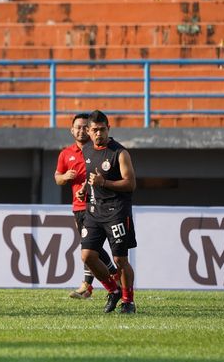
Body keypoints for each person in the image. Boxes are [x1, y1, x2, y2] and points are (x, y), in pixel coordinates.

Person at [77, 110, 137, 314]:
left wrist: (105, 183)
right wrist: (84, 189)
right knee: (87, 256)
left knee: (120, 260)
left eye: (102, 129)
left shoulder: (119, 153)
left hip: (116, 212)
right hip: (94, 211)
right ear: (88, 130)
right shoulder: (86, 150)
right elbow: (90, 175)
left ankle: (128, 301)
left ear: (108, 128)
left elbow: (130, 184)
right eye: (94, 130)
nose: (98, 134)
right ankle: (113, 290)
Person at [54, 113, 117, 299]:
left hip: (99, 205)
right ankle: (90, 284)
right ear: (71, 130)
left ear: (89, 130)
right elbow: (57, 177)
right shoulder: (66, 153)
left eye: (84, 127)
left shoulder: (96, 150)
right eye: (78, 127)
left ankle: (101, 280)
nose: (81, 130)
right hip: (79, 206)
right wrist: (65, 177)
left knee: (90, 247)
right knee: (88, 247)